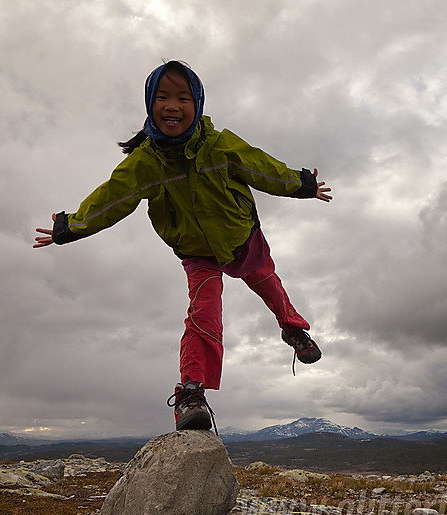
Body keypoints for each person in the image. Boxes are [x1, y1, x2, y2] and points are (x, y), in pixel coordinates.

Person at [34, 60, 332, 433]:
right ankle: (192, 393)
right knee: (203, 316)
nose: (171, 105)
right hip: (195, 251)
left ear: (198, 103)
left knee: (268, 284)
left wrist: (300, 184)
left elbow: (261, 167)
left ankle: (293, 329)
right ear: (149, 103)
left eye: (182, 97)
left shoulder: (220, 145)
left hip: (240, 237)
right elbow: (111, 199)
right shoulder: (145, 163)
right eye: (162, 97)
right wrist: (70, 227)